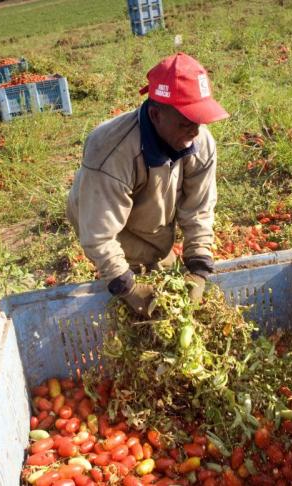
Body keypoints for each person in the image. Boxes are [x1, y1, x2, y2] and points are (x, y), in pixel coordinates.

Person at [66, 52, 229, 317]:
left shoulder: (199, 142)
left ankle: (154, 263)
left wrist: (198, 269)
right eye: (186, 121)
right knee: (130, 297)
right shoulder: (110, 150)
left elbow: (198, 209)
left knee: (164, 275)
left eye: (199, 120)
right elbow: (100, 234)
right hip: (105, 218)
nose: (195, 130)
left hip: (153, 220)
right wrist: (128, 287)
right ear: (155, 114)